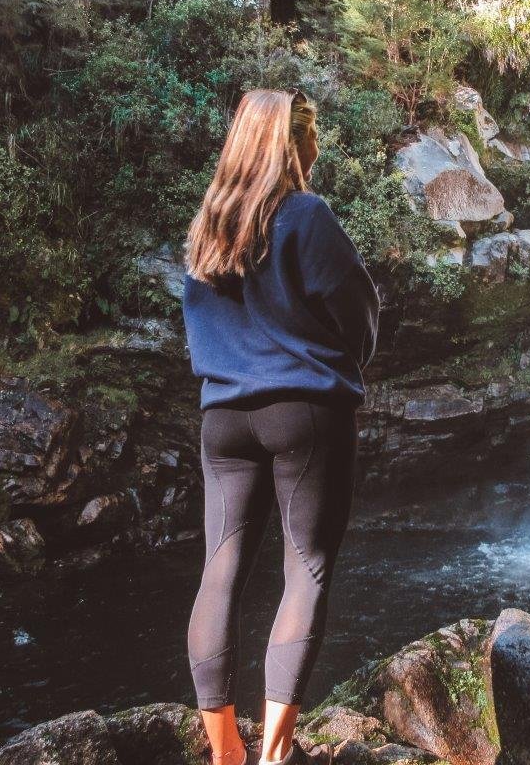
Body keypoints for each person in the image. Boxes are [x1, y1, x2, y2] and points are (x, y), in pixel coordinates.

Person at [181, 89, 379, 765]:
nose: (316, 151)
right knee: (307, 571)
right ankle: (274, 755)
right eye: (312, 138)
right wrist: (343, 359)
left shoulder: (209, 225)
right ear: (293, 146)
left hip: (223, 418)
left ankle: (224, 752)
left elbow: (198, 324)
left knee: (221, 569)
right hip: (303, 413)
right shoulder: (306, 216)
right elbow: (356, 308)